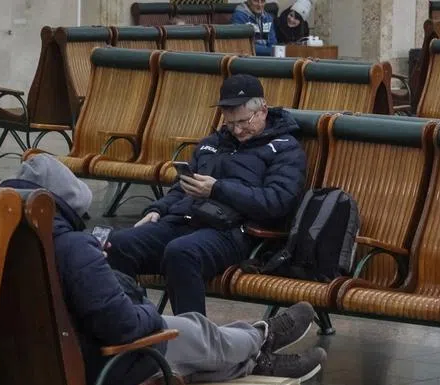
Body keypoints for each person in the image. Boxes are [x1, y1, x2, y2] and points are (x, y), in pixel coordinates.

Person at [2, 154, 326, 385]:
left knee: (189, 334)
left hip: (26, 369)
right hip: (101, 366)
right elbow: (125, 326)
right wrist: (149, 313)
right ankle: (262, 338)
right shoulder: (71, 247)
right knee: (191, 331)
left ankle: (256, 358)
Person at [106, 74, 305, 317]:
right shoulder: (213, 142)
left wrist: (217, 189)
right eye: (230, 123)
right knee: (117, 245)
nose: (238, 130)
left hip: (234, 231)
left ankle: (196, 343)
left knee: (181, 253)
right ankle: (134, 327)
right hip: (184, 219)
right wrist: (157, 209)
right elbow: (182, 187)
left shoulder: (285, 148)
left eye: (244, 121)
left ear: (263, 110)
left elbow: (277, 202)